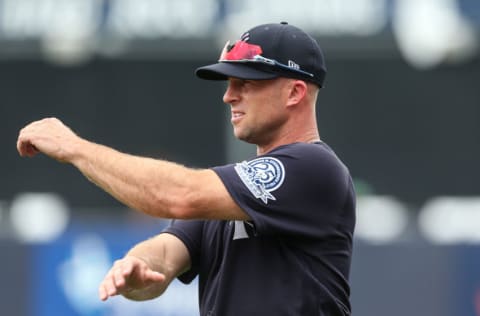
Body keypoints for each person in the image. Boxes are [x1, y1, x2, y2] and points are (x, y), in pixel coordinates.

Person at [17, 22, 355, 316]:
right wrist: (140, 268)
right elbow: (167, 251)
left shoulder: (314, 168)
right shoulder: (233, 188)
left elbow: (179, 196)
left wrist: (75, 148)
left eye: (246, 83)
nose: (229, 96)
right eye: (229, 82)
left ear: (294, 92)